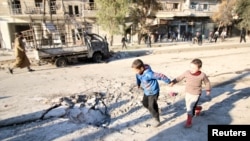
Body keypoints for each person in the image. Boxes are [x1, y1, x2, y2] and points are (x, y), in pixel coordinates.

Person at [170, 58, 211, 128]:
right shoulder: (187, 73)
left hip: (196, 93)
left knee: (189, 108)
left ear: (199, 68)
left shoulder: (202, 75)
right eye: (190, 67)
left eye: (194, 68)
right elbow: (180, 77)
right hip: (188, 92)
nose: (191, 69)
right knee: (189, 104)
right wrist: (173, 82)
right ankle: (198, 108)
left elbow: (207, 82)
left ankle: (189, 122)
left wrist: (208, 90)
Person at [131, 59, 171, 127]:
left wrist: (168, 81)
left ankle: (156, 120)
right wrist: (138, 84)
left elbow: (161, 76)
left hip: (154, 92)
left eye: (136, 70)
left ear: (141, 68)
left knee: (151, 106)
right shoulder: (138, 73)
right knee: (145, 103)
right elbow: (137, 77)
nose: (135, 72)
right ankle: (155, 110)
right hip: (146, 91)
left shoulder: (149, 74)